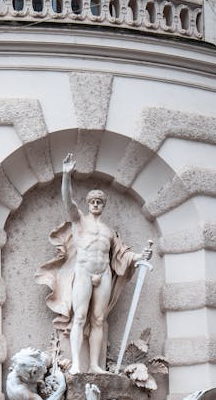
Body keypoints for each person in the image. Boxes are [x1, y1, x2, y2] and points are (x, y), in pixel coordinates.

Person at [37, 153, 152, 374]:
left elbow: (122, 254)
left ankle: (94, 365)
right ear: (88, 204)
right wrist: (66, 177)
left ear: (103, 205)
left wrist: (140, 256)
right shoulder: (79, 220)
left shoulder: (109, 231)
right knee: (80, 317)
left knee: (99, 319)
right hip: (84, 271)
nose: (96, 204)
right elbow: (67, 201)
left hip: (104, 274)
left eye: (100, 202)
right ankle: (78, 364)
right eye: (93, 201)